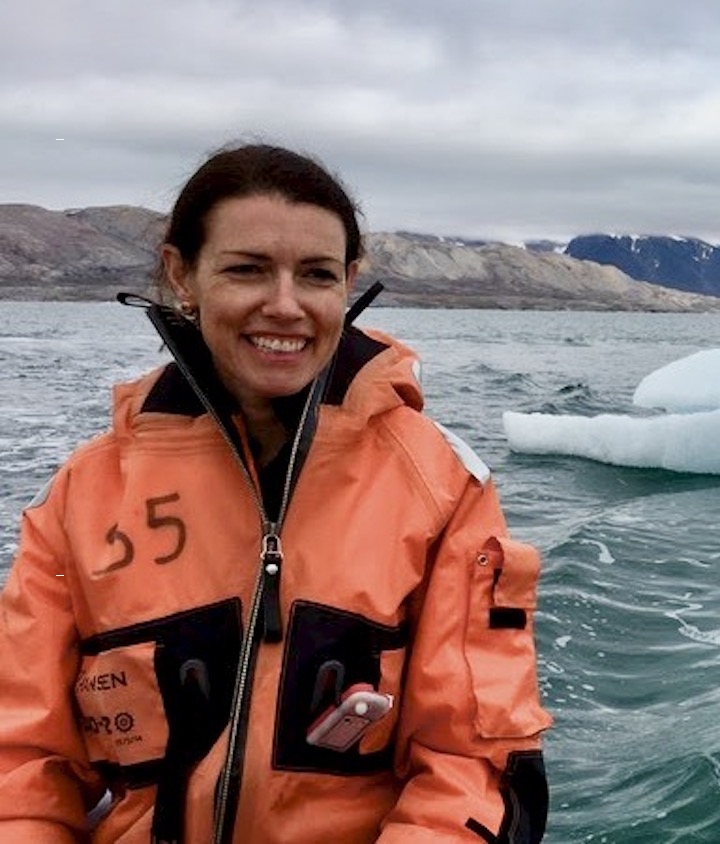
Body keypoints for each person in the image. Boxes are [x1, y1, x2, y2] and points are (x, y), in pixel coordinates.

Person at [0, 142, 552, 842]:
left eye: (316, 275)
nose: (285, 306)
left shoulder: (441, 490)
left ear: (347, 284)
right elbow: (20, 764)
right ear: (183, 276)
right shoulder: (82, 498)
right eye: (247, 270)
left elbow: (470, 764)